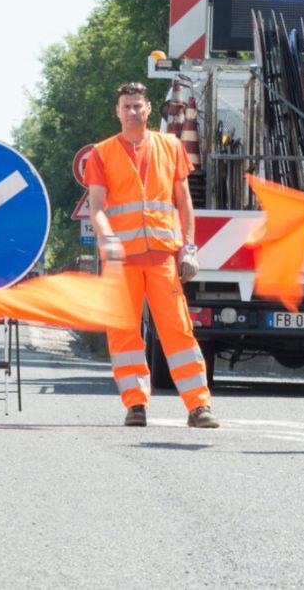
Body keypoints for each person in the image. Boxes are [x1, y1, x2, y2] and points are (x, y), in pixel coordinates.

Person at [85, 81, 219, 429]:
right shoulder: (101, 153)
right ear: (117, 112)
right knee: (124, 333)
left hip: (162, 256)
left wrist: (189, 247)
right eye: (126, 106)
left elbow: (184, 202)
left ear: (148, 110)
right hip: (121, 260)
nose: (132, 111)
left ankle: (199, 406)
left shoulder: (170, 146)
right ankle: (135, 405)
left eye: (137, 106)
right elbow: (96, 208)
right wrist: (107, 236)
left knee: (178, 330)